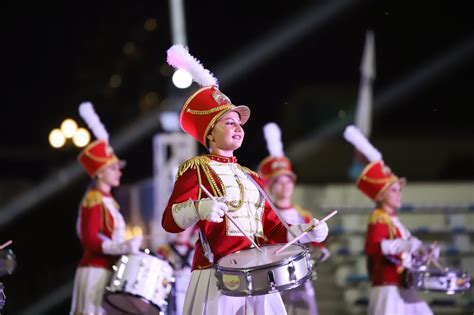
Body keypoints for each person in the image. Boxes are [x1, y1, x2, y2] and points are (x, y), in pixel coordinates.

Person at [161, 45, 329, 315]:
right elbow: (169, 221)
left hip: (260, 275)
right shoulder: (196, 169)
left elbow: (272, 229)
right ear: (210, 134)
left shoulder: (251, 177)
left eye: (239, 123)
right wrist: (199, 208)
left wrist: (301, 232)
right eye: (229, 122)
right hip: (217, 276)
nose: (238, 127)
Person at [344, 125, 435, 315]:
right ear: (380, 196)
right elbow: (374, 247)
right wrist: (406, 244)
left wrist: (424, 252)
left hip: (404, 286)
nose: (399, 194)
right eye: (393, 190)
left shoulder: (394, 221)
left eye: (399, 190)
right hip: (388, 288)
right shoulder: (377, 219)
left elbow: (405, 252)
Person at [70, 102, 142, 315]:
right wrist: (121, 247)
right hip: (95, 271)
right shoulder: (93, 199)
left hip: (109, 271)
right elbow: (90, 238)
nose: (119, 172)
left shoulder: (109, 201)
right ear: (99, 172)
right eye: (113, 168)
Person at [258, 122, 330, 315]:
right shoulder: (265, 215)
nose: (285, 186)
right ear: (270, 186)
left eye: (288, 180)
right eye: (279, 182)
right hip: (273, 277)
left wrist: (321, 250)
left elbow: (316, 244)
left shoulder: (303, 214)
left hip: (301, 276)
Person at [156, 227, 198, 315]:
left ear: (192, 230)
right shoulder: (163, 250)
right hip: (168, 298)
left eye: (185, 228)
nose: (181, 231)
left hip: (188, 297)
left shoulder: (196, 252)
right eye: (178, 227)